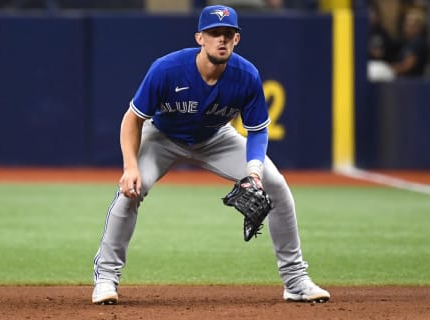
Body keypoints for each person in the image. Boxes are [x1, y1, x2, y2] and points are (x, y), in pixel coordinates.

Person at [91, 4, 330, 305]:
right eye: (215, 33)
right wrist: (130, 167)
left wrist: (254, 173)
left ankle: (295, 281)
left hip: (216, 137)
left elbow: (257, 130)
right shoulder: (167, 69)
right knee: (131, 192)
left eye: (228, 34)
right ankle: (106, 280)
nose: (222, 40)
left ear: (237, 40)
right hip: (162, 137)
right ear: (199, 38)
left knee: (276, 186)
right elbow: (132, 119)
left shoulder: (246, 75)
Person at [389, 6, 429, 77]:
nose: (408, 27)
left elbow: (407, 66)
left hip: (413, 84)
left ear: (420, 27)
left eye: (412, 25)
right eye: (407, 24)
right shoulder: (406, 42)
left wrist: (386, 69)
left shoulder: (419, 43)